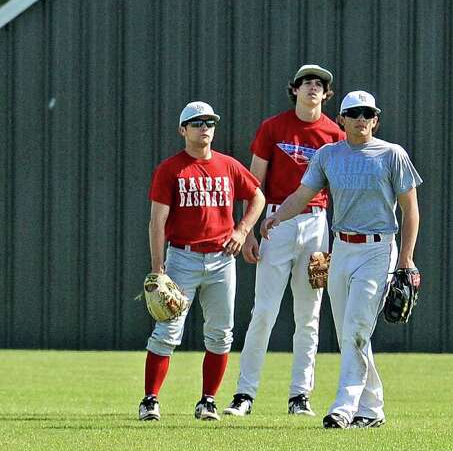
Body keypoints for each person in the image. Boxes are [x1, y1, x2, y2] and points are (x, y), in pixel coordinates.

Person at [261, 90, 421, 429]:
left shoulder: (392, 154)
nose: (362, 119)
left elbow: (411, 211)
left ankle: (343, 408)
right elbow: (302, 195)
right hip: (342, 248)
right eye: (355, 113)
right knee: (350, 333)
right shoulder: (328, 155)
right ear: (342, 120)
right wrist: (277, 216)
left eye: (368, 113)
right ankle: (372, 409)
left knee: (356, 329)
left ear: (376, 121)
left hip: (378, 248)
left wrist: (406, 259)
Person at [223, 64, 344, 418]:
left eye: (319, 84)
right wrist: (247, 230)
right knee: (264, 311)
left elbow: (340, 188)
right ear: (294, 89)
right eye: (306, 82)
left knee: (309, 314)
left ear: (326, 94)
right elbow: (253, 184)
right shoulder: (273, 128)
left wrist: (334, 241)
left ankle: (300, 396)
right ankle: (244, 394)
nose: (313, 88)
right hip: (276, 223)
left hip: (317, 224)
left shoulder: (335, 134)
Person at [139, 101, 265, 421]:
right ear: (183, 130)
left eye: (209, 122)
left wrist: (242, 230)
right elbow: (157, 222)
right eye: (197, 123)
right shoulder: (171, 169)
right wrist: (157, 269)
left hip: (222, 259)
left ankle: (208, 401)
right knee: (167, 331)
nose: (204, 128)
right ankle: (150, 400)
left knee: (221, 334)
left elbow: (258, 196)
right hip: (183, 257)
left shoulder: (228, 165)